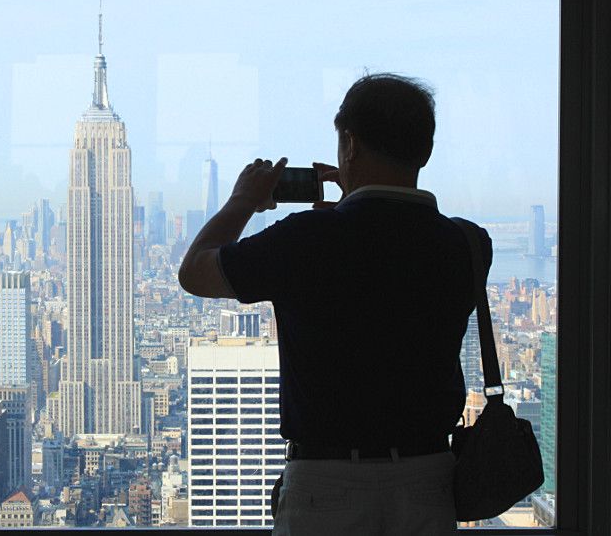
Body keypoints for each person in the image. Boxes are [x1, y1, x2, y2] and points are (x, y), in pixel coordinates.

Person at [178, 73, 491, 535]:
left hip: (326, 486)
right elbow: (389, 258)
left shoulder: (307, 239)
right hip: (430, 481)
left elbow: (195, 272)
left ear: (349, 144)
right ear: (424, 150)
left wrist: (244, 200)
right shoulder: (468, 244)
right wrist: (353, 208)